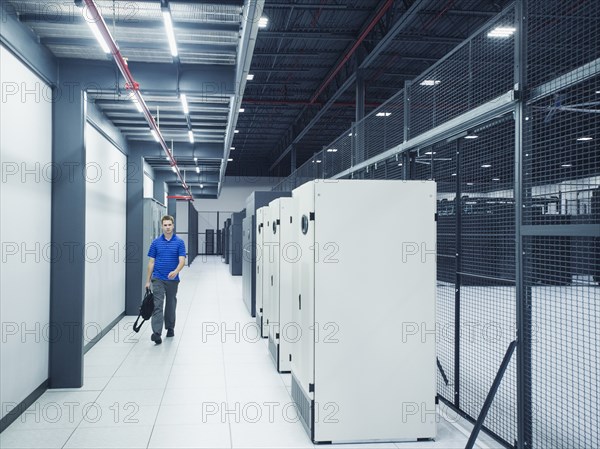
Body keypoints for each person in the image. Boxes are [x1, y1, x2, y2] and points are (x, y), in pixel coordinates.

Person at [145, 215, 186, 344]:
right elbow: (151, 262)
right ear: (162, 226)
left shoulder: (179, 242)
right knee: (158, 304)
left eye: (169, 225)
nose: (167, 227)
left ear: (173, 226)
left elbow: (182, 260)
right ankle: (156, 332)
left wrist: (176, 271)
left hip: (173, 280)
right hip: (158, 278)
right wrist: (148, 280)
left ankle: (170, 327)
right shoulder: (155, 243)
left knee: (170, 304)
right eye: (165, 225)